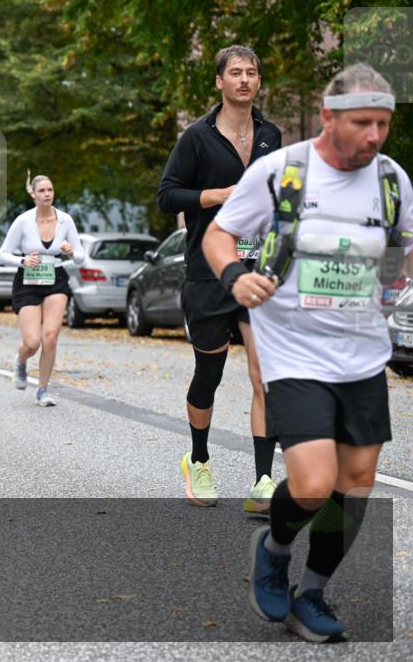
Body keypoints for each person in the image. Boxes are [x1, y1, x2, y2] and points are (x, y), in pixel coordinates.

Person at [204, 63, 413, 643]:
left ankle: (313, 591)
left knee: (357, 480)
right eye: (363, 122)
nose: (375, 136)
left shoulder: (392, 180)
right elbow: (217, 236)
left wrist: (394, 285)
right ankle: (273, 548)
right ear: (329, 117)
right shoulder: (283, 171)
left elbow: (400, 247)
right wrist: (236, 279)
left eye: (384, 124)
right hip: (293, 349)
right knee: (315, 482)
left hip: (363, 351)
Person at [158, 45, 283, 511]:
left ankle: (264, 481)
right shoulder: (196, 137)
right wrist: (220, 195)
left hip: (258, 273)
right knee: (208, 375)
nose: (245, 80)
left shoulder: (272, 134)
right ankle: (199, 459)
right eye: (236, 73)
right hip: (208, 273)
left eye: (252, 72)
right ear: (220, 82)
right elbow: (168, 197)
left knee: (263, 375)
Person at [0, 174, 86, 406]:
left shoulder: (65, 220)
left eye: (50, 190)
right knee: (32, 342)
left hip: (56, 278)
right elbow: (3, 253)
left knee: (50, 337)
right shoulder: (23, 221)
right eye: (42, 191)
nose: (47, 194)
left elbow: (81, 257)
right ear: (34, 194)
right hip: (28, 280)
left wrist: (70, 252)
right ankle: (20, 360)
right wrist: (23, 261)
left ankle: (43, 390)